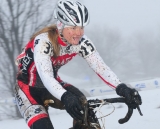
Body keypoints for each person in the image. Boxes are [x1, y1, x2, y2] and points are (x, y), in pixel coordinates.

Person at [14, 0, 142, 129]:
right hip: (28, 90)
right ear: (61, 25)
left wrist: (122, 88)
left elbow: (101, 68)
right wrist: (65, 96)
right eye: (73, 27)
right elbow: (46, 77)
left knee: (84, 108)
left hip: (54, 84)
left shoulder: (82, 42)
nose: (79, 33)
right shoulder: (43, 42)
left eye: (81, 27)